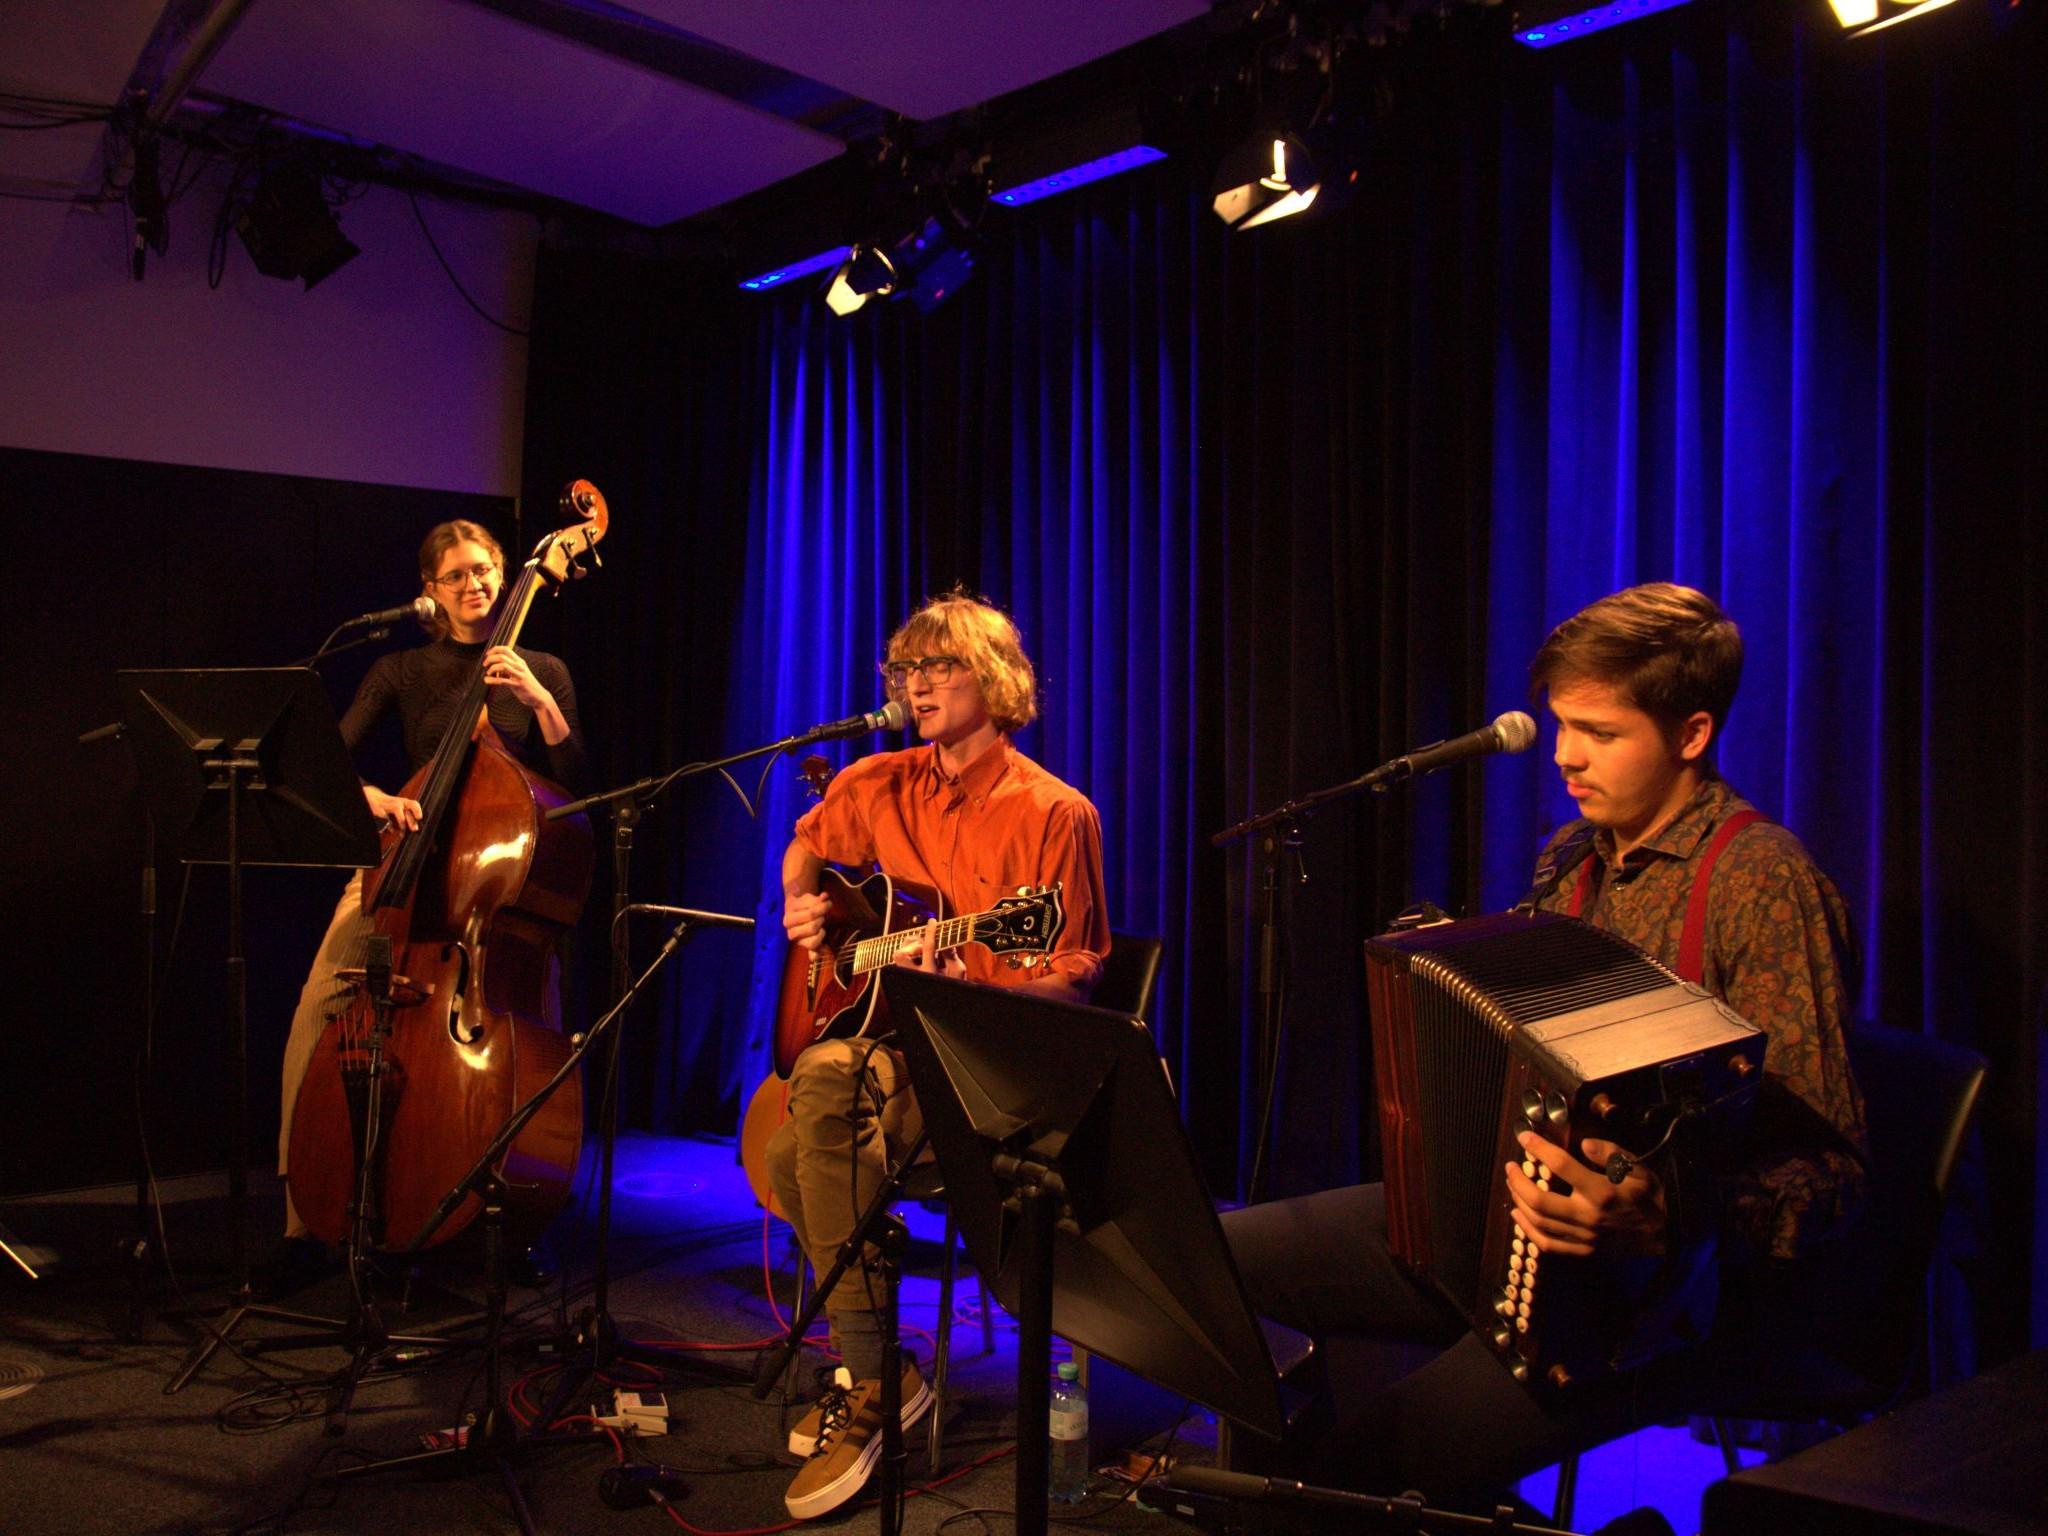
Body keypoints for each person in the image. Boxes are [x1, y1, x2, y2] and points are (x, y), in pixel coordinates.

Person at [1220, 582, 1866, 1509]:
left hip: (1664, 1298)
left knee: (1365, 1472)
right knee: (1219, 1262)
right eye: (1563, 725)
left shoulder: (1762, 883)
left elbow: (1833, 1175)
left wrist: (1672, 1216)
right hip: (1506, 1236)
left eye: (1600, 732)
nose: (1565, 755)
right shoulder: (1570, 858)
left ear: (1691, 734)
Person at [768, 592, 1109, 1520]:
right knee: (785, 1155)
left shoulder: (1055, 812)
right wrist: (807, 910)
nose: (916, 685)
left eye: (939, 667)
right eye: (906, 669)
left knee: (823, 1084)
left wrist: (969, 986)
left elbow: (1072, 979)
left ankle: (870, 1383)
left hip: (994, 1070)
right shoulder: (876, 781)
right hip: (897, 1048)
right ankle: (889, 1372)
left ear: (993, 680)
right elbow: (804, 848)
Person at [268, 519, 586, 1291]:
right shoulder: (401, 669)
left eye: (484, 571)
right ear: (430, 590)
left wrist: (540, 702)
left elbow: (576, 780)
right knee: (317, 1012)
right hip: (400, 867)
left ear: (505, 574)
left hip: (497, 883)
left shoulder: (542, 667)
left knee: (525, 1040)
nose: (473, 585)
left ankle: (512, 1215)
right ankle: (303, 1222)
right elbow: (325, 764)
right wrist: (372, 797)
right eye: (456, 576)